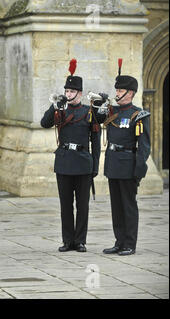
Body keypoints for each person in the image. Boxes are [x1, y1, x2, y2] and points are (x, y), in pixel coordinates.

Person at [40, 59, 101, 253]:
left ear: (80, 93)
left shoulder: (88, 112)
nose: (68, 95)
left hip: (83, 162)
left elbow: (96, 141)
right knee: (66, 205)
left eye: (71, 92)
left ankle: (80, 241)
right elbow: (44, 123)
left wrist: (95, 167)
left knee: (82, 206)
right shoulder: (60, 110)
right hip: (65, 162)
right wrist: (54, 106)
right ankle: (67, 241)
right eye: (66, 91)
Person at [98, 59, 151, 256]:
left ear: (130, 93)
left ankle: (130, 243)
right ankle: (119, 241)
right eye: (117, 90)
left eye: (120, 91)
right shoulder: (112, 111)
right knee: (116, 206)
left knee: (128, 206)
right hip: (113, 164)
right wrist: (99, 104)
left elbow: (144, 146)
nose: (117, 93)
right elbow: (95, 120)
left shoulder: (138, 115)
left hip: (128, 165)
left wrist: (138, 171)